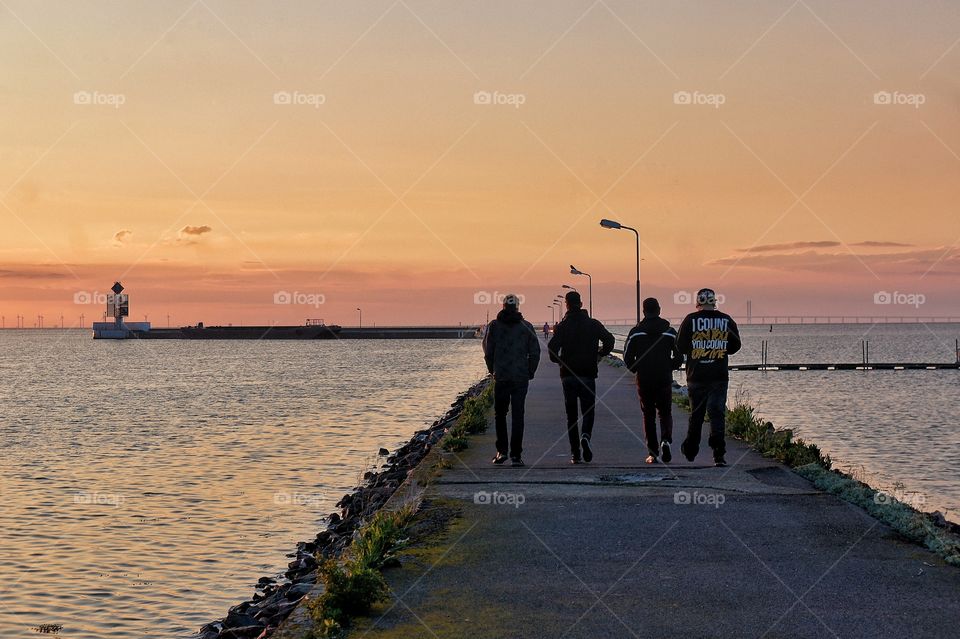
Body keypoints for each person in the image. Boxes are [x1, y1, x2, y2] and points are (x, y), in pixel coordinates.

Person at [676, 288, 742, 467]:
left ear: (698, 303)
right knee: (717, 413)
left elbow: (680, 346)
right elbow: (736, 345)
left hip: (696, 375)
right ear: (714, 302)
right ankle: (719, 454)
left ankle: (691, 450)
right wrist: (719, 349)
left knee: (696, 414)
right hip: (718, 375)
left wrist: (696, 349)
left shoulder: (690, 320)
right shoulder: (726, 320)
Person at [547, 291, 615, 464]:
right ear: (581, 303)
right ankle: (586, 436)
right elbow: (610, 339)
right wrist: (600, 354)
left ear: (567, 305)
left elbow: (551, 349)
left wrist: (561, 362)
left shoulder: (562, 327)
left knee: (571, 416)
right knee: (588, 411)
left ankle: (575, 454)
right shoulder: (593, 324)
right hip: (587, 374)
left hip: (568, 376)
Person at [482, 294, 540, 467]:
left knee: (500, 414)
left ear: (503, 306)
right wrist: (530, 371)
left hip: (501, 376)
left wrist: (492, 369)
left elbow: (487, 351)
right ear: (517, 307)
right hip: (521, 377)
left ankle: (502, 452)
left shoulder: (494, 326)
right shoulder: (526, 327)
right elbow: (535, 352)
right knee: (518, 415)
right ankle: (516, 455)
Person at [623, 298, 683, 464]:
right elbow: (680, 355)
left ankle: (653, 453)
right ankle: (666, 440)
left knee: (648, 415)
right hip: (663, 378)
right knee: (665, 412)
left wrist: (637, 368)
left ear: (644, 311)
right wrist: (670, 366)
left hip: (644, 379)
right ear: (659, 310)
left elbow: (627, 357)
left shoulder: (636, 332)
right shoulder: (670, 331)